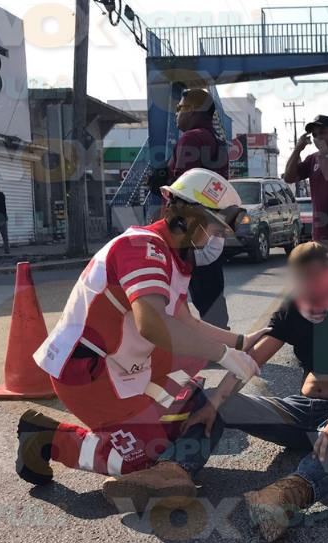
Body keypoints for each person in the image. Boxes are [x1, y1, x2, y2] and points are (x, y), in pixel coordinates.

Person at [19, 168, 268, 511]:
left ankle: (166, 462)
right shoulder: (142, 249)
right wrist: (223, 354)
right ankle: (46, 438)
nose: (215, 238)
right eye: (212, 228)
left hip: (126, 367)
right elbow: (153, 325)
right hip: (88, 374)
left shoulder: (170, 256)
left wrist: (241, 341)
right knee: (138, 459)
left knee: (201, 411)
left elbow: (185, 323)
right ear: (188, 216)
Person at [169, 241, 328, 543]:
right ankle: (174, 470)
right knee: (214, 400)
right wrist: (213, 404)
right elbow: (250, 361)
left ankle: (288, 493)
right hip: (299, 410)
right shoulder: (291, 311)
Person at [169, 88, 231, 329]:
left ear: (193, 109)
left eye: (179, 108)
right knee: (210, 286)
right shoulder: (216, 139)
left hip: (189, 225)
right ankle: (221, 338)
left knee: (193, 286)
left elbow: (184, 188)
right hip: (209, 220)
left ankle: (214, 345)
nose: (176, 114)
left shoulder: (191, 139)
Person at [283, 115, 328, 294]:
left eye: (323, 132)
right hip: (322, 231)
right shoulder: (313, 159)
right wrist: (297, 150)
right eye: (315, 135)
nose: (318, 138)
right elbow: (289, 177)